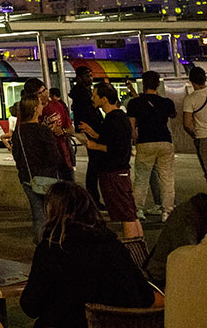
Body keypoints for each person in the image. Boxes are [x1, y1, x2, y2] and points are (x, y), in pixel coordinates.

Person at [20, 181, 161, 328]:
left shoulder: (51, 249)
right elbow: (146, 296)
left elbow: (30, 306)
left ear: (52, 211)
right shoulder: (113, 245)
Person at [79, 82, 143, 238]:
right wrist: (92, 133)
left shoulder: (115, 118)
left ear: (105, 99)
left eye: (95, 96)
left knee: (125, 214)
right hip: (116, 172)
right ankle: (138, 243)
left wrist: (95, 146)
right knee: (129, 212)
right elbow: (109, 138)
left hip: (114, 172)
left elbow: (116, 148)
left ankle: (132, 247)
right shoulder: (115, 117)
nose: (92, 98)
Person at [10, 93, 64, 244]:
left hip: (28, 178)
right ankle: (51, 244)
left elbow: (17, 155)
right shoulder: (43, 130)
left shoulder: (18, 132)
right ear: (35, 109)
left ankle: (41, 246)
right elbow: (55, 157)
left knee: (38, 213)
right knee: (53, 214)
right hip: (48, 179)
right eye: (40, 105)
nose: (42, 107)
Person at [127, 69, 176, 221]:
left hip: (145, 142)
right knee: (167, 178)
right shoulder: (166, 102)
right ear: (157, 85)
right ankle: (167, 211)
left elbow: (132, 128)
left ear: (143, 85)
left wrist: (135, 141)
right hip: (165, 142)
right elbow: (172, 114)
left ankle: (138, 210)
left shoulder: (134, 103)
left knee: (141, 178)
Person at [70, 65, 103, 205]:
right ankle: (93, 197)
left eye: (91, 75)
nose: (91, 78)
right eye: (87, 75)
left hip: (89, 128)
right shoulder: (82, 94)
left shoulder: (82, 92)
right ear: (79, 77)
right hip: (90, 129)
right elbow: (89, 113)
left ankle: (93, 196)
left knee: (95, 164)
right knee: (95, 164)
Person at [41, 85, 76, 181]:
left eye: (44, 91)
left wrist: (63, 131)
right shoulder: (30, 112)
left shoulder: (58, 106)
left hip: (64, 159)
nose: (44, 94)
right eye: (39, 93)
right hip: (45, 163)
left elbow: (71, 129)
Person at [181, 64, 207, 181]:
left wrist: (194, 135)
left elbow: (187, 123)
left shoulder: (190, 99)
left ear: (192, 81)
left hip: (203, 137)